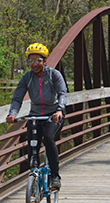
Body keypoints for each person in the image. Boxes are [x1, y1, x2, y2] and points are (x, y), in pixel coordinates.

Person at [6, 43, 67, 190]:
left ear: (45, 61)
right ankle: (34, 174)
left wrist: (59, 110)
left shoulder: (54, 75)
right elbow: (17, 98)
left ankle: (54, 177)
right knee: (32, 143)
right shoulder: (27, 78)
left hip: (53, 115)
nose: (34, 64)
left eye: (38, 60)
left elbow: (62, 93)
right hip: (35, 115)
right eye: (31, 61)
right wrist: (12, 114)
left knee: (48, 137)